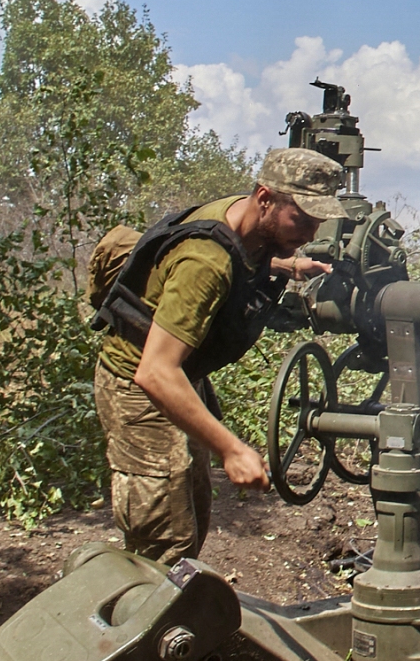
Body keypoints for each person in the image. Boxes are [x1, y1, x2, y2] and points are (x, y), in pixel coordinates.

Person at [91, 148, 344, 564]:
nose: (311, 232)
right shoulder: (204, 262)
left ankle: (178, 610)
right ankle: (142, 620)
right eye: (301, 218)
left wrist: (283, 265)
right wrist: (232, 449)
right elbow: (154, 373)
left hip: (181, 377)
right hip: (142, 384)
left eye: (319, 220)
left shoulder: (247, 223)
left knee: (192, 508)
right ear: (265, 198)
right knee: (165, 541)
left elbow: (241, 253)